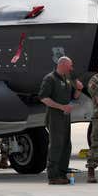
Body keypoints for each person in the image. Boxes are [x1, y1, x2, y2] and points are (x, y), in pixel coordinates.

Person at [39, 56, 83, 185]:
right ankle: (53, 176)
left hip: (65, 116)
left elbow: (74, 96)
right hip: (54, 115)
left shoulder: (67, 78)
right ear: (63, 65)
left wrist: (79, 89)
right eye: (70, 65)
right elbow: (43, 98)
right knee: (56, 145)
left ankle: (62, 174)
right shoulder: (50, 79)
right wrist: (61, 106)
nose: (72, 68)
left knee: (66, 145)